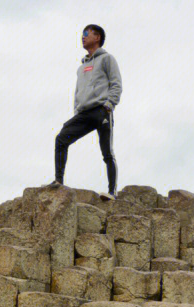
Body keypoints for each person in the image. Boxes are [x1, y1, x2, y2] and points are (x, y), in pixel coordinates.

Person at [49, 24, 122, 199]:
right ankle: (58, 181)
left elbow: (116, 84)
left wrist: (109, 105)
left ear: (97, 37)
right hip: (83, 113)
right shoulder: (81, 67)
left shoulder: (107, 59)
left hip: (101, 110)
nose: (82, 37)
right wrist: (77, 110)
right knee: (61, 138)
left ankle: (112, 192)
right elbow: (78, 91)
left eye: (86, 34)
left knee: (107, 152)